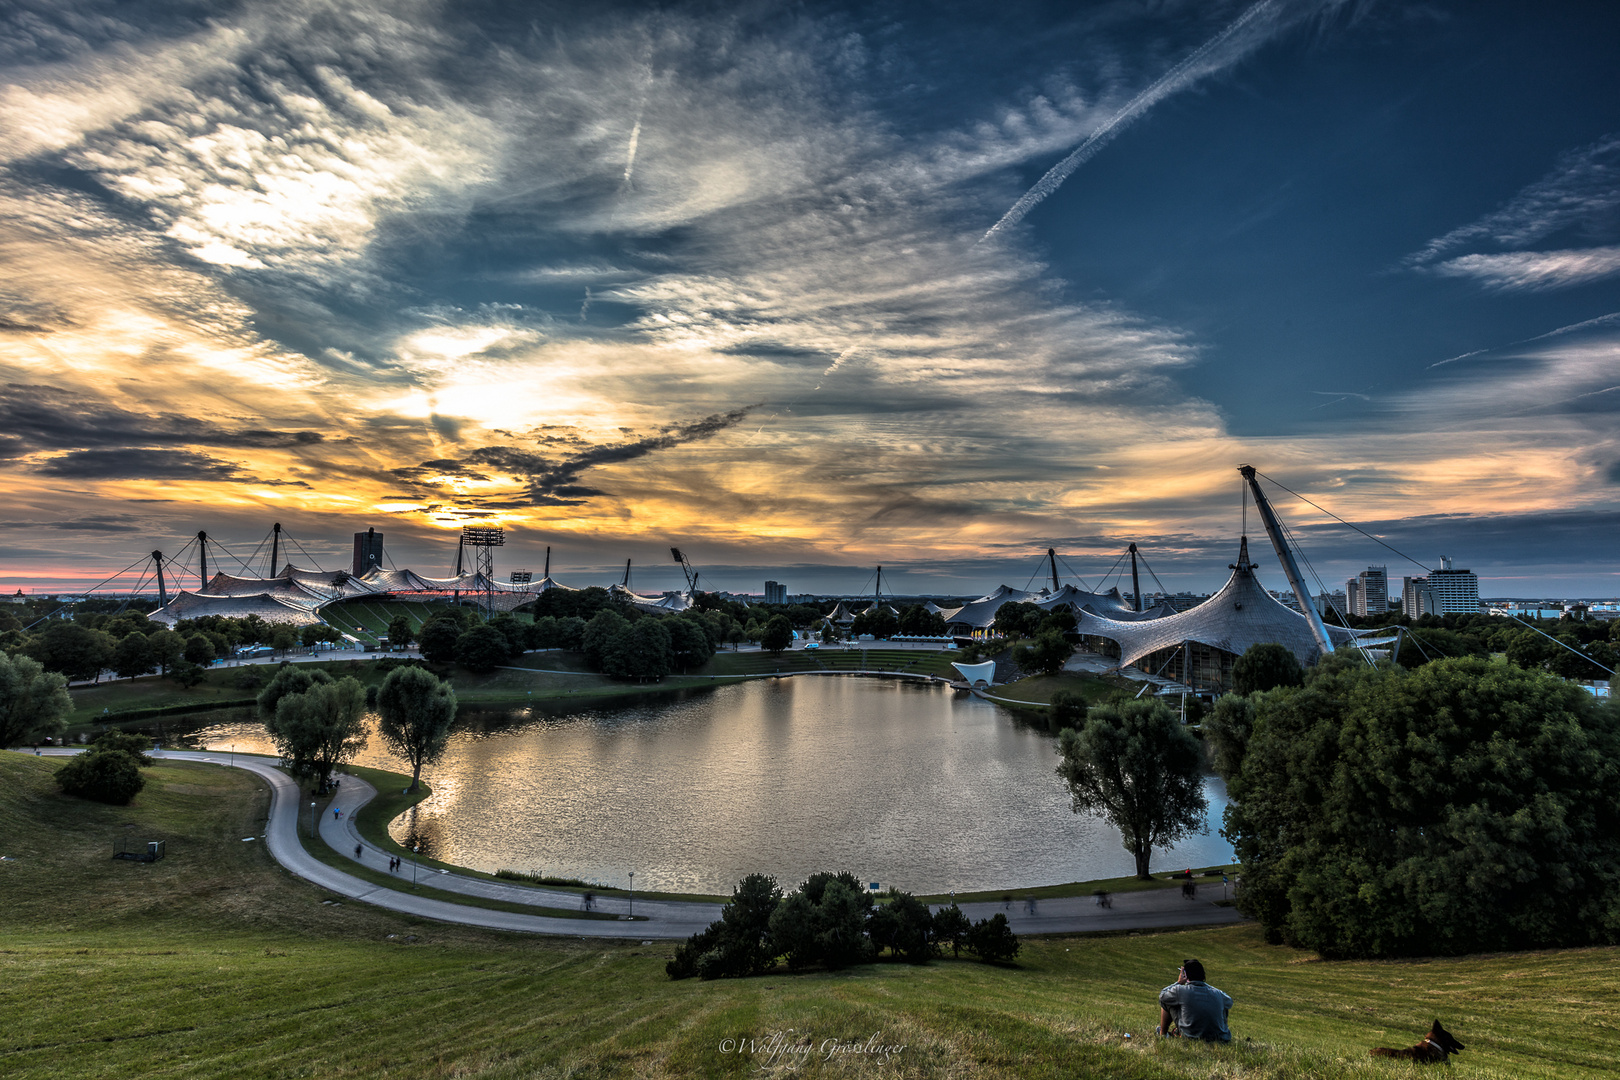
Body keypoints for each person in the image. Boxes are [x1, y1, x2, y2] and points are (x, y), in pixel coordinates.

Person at [1158, 959, 1232, 1042]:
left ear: (1185, 975)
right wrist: (1205, 984)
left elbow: (1162, 996)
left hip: (1191, 1037)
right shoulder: (1218, 994)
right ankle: (1220, 1031)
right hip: (1220, 1039)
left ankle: (1163, 1034)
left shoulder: (1180, 990)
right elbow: (1229, 1002)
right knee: (1223, 1005)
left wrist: (1179, 982)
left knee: (1166, 1001)